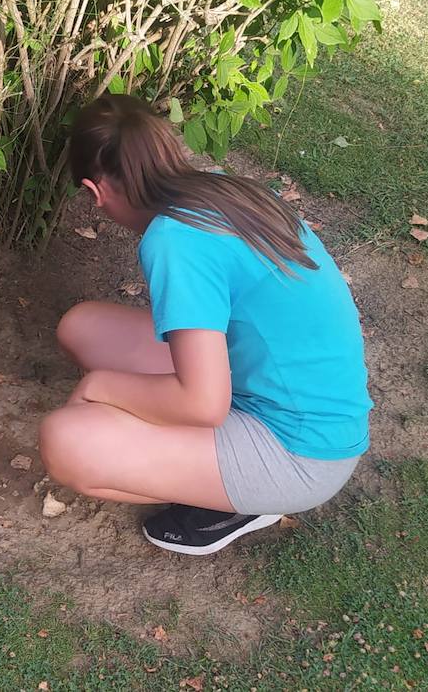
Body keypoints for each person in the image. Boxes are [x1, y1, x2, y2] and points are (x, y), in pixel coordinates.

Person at [39, 94, 372, 556]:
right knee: (82, 327)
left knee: (66, 444)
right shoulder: (219, 189)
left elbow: (202, 404)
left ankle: (241, 501)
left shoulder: (175, 240)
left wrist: (102, 386)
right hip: (276, 394)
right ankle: (217, 473)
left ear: (95, 193)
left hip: (301, 453)